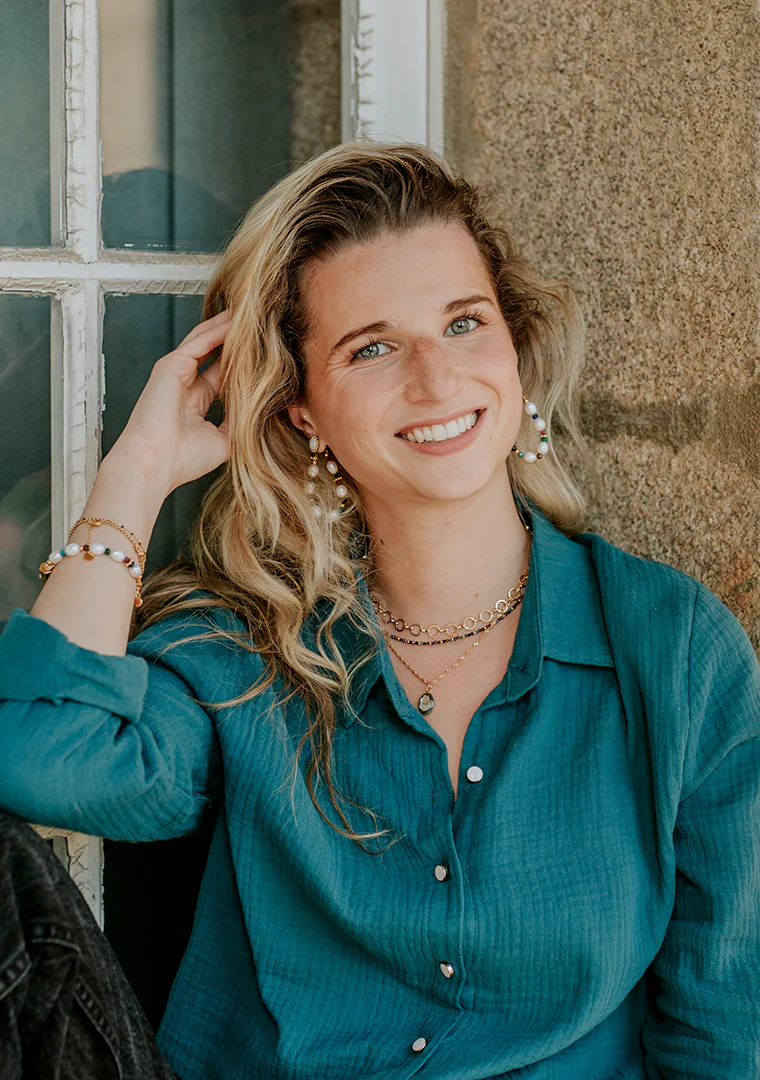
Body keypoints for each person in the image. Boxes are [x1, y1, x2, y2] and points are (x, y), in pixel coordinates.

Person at [0, 138, 758, 1080]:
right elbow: (38, 756)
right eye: (372, 347)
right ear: (302, 408)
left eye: (464, 323)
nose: (436, 380)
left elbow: (725, 1030)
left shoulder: (673, 650)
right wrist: (138, 471)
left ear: (515, 346)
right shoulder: (244, 645)